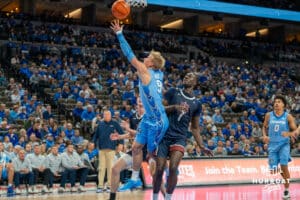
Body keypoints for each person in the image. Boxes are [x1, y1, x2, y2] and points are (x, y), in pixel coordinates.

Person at [110, 20, 169, 190]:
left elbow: (129, 55)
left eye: (149, 57)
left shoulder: (146, 71)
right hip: (150, 117)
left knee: (151, 157)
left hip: (157, 120)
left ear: (151, 63)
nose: (146, 57)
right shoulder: (159, 73)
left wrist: (119, 34)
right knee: (136, 147)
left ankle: (164, 185)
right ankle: (135, 178)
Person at [152, 73, 213, 200]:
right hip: (164, 135)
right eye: (185, 76)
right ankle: (155, 197)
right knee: (159, 169)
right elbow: (159, 109)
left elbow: (195, 128)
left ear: (195, 82)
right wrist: (174, 107)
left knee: (173, 168)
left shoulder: (197, 103)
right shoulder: (173, 92)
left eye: (190, 76)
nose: (186, 77)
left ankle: (168, 197)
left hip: (179, 137)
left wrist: (202, 146)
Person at [109, 98, 166, 200]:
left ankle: (167, 197)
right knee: (115, 169)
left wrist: (128, 129)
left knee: (156, 177)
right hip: (137, 151)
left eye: (142, 106)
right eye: (138, 105)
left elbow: (143, 134)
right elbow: (133, 135)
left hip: (151, 151)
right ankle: (112, 198)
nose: (140, 107)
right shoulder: (133, 117)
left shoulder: (151, 117)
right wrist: (120, 137)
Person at [262, 95, 298, 200]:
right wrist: (264, 135)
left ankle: (286, 190)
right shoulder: (268, 115)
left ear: (284, 105)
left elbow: (295, 131)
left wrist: (288, 134)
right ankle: (284, 178)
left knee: (283, 166)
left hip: (284, 145)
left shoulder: (288, 116)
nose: (276, 103)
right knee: (273, 169)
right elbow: (264, 126)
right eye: (275, 102)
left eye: (279, 102)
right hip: (272, 145)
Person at [93, 110, 124, 193]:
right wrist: (92, 142)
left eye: (108, 114)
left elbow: (121, 133)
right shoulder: (100, 124)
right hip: (101, 149)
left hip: (111, 149)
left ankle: (109, 186)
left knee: (110, 168)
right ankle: (100, 186)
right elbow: (96, 135)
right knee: (101, 168)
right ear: (103, 115)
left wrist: (121, 143)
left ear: (111, 115)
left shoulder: (115, 123)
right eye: (105, 114)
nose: (106, 116)